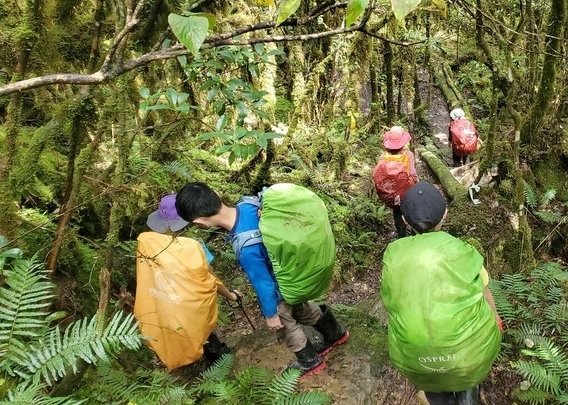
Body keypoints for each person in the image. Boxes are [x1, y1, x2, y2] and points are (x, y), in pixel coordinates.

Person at [175, 182, 348, 378]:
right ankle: (336, 334)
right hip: (291, 277)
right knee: (303, 308)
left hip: (278, 290)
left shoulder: (245, 245)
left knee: (287, 324)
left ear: (200, 223)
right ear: (216, 194)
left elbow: (263, 283)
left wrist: (270, 314)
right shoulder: (250, 205)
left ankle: (309, 362)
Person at [380, 182, 503, 405]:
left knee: (431, 384)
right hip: (467, 354)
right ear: (445, 214)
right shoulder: (463, 250)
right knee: (472, 351)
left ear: (404, 219)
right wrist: (495, 319)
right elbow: (485, 292)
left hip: (414, 359)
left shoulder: (393, 254)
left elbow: (390, 300)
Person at [133, 194, 238, 371]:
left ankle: (192, 365)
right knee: (199, 328)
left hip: (162, 303)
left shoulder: (145, 242)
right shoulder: (192, 246)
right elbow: (211, 280)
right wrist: (231, 296)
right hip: (189, 307)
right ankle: (217, 360)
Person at [373, 125, 419, 238]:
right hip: (407, 191)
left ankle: (401, 233)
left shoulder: (383, 156)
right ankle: (414, 234)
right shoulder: (408, 155)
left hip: (392, 193)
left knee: (397, 211)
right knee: (411, 209)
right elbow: (412, 173)